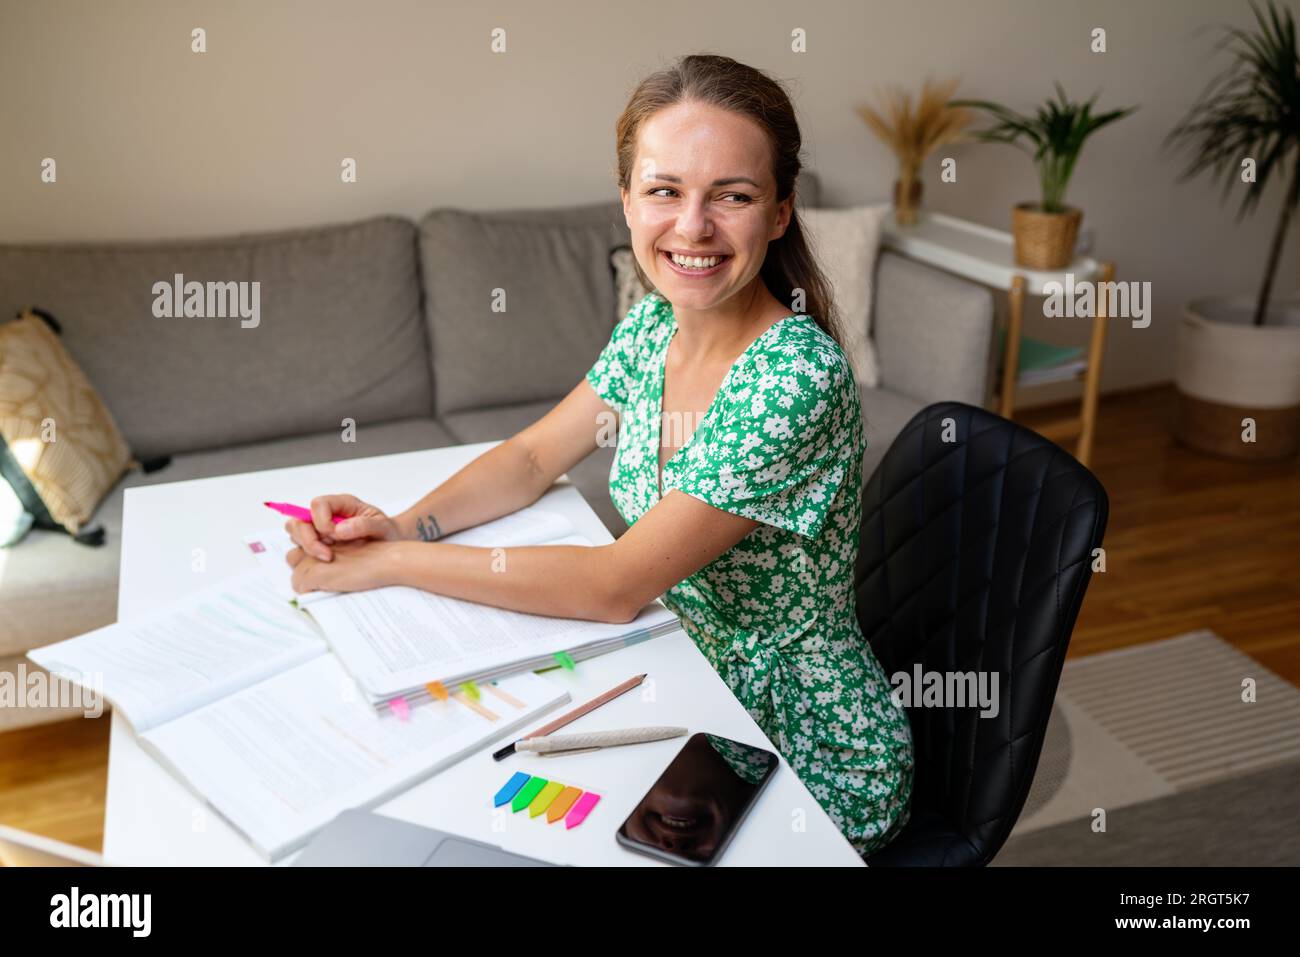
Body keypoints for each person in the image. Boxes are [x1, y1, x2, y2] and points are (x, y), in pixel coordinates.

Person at [284, 53, 913, 855]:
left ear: (781, 212)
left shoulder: (793, 378)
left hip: (799, 743)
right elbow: (533, 457)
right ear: (626, 201)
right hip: (687, 676)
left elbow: (614, 585)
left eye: (733, 195)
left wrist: (384, 568)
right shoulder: (653, 327)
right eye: (665, 191)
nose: (693, 227)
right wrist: (402, 528)